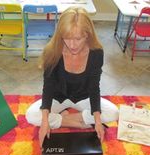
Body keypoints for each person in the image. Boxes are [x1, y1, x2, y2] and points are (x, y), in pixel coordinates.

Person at [26, 7, 119, 147]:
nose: (72, 45)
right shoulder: (52, 51)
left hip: (83, 97)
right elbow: (48, 87)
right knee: (31, 115)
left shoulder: (96, 53)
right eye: (67, 38)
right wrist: (45, 123)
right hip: (58, 97)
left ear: (87, 35)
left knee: (114, 113)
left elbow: (94, 88)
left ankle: (65, 119)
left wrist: (98, 121)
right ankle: (77, 122)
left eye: (78, 38)